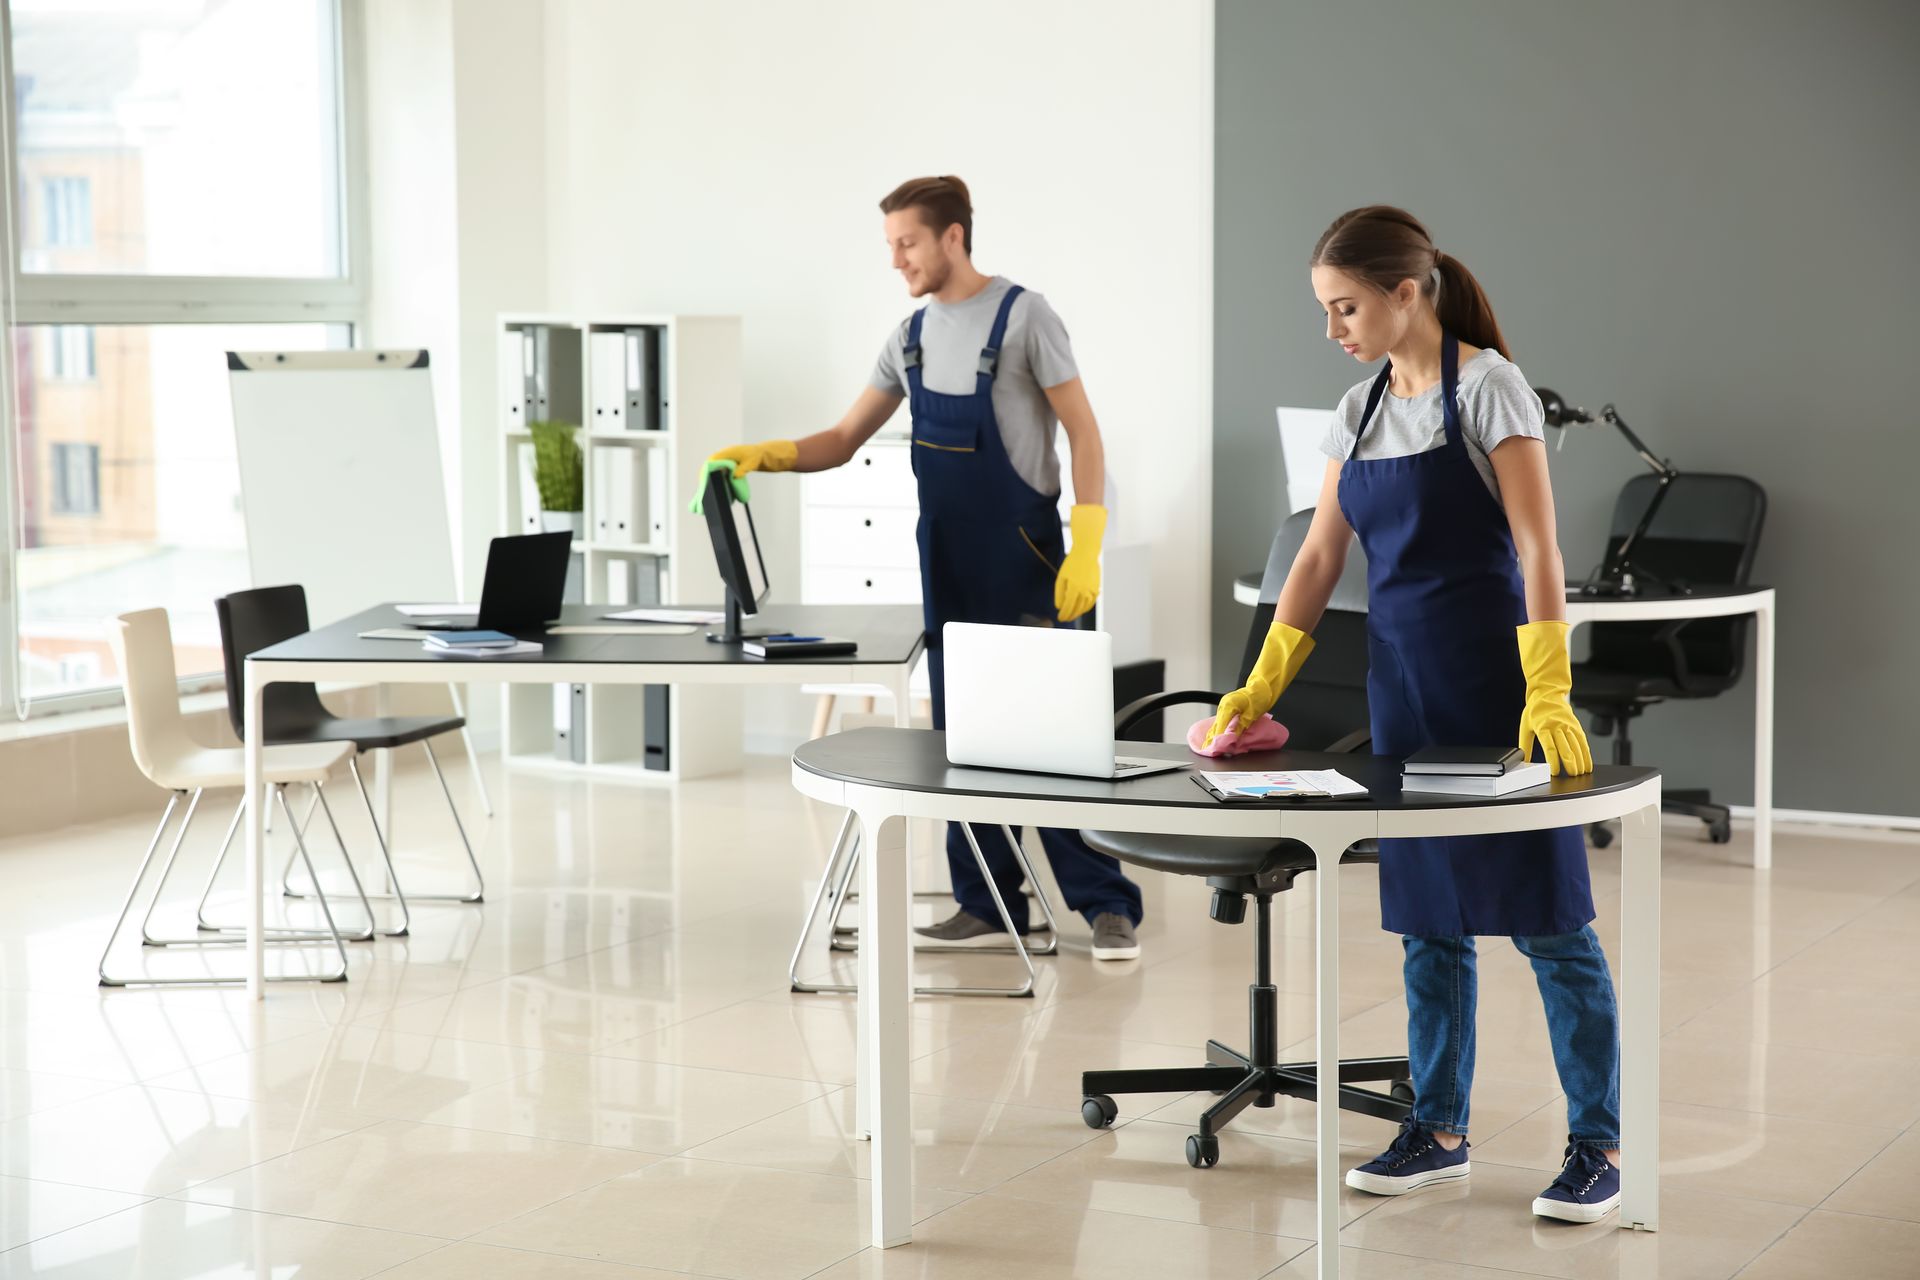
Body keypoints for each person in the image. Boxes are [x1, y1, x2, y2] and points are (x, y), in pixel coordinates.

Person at [1207, 205, 1619, 1223]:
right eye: (1326, 310)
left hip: (1498, 693)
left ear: (1407, 292)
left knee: (1550, 923)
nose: (1335, 327)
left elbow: (1537, 548)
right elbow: (1316, 556)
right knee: (1429, 926)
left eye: (1346, 306)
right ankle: (1436, 1127)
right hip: (1403, 697)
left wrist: (1551, 685)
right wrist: (1261, 680)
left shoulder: (1491, 388)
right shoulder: (1357, 408)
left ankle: (1599, 1144)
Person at [702, 175, 1145, 961]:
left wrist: (1088, 542)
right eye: (890, 245)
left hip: (1032, 555)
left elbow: (1083, 431)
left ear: (952, 236)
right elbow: (842, 439)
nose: (897, 259)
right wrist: (764, 455)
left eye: (906, 242)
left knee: (1058, 733)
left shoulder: (1023, 317)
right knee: (962, 731)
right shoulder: (906, 336)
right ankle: (985, 902)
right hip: (947, 557)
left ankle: (1107, 904)